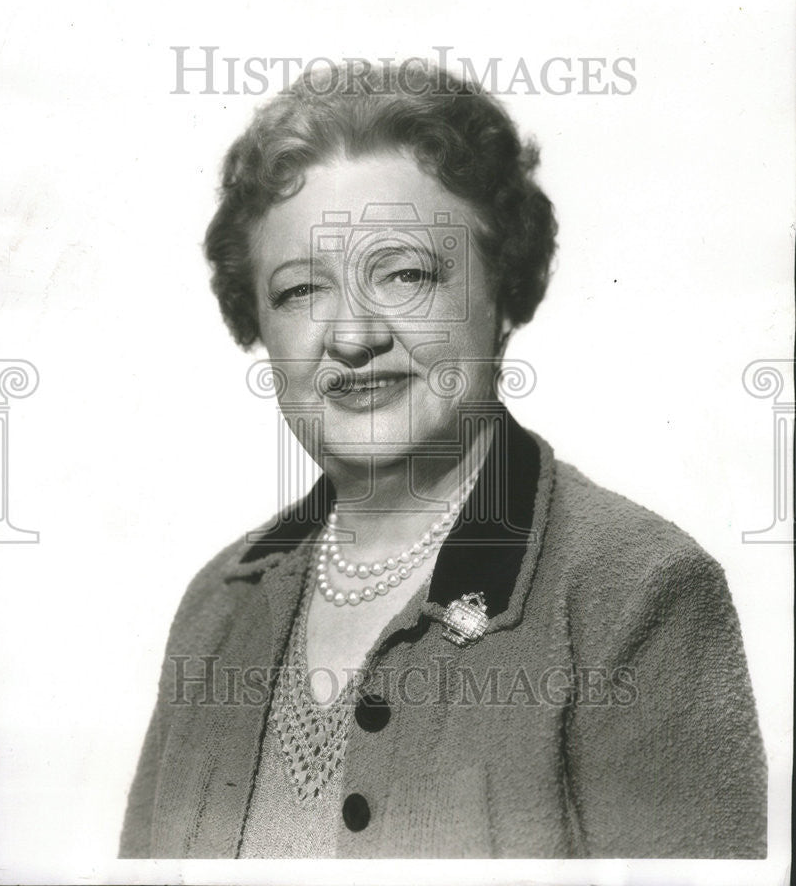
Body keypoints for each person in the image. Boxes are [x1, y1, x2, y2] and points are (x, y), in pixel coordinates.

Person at [119, 60, 767, 859]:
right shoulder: (220, 604)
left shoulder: (633, 595)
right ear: (256, 324)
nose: (352, 336)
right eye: (299, 291)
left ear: (504, 296)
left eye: (404, 274)